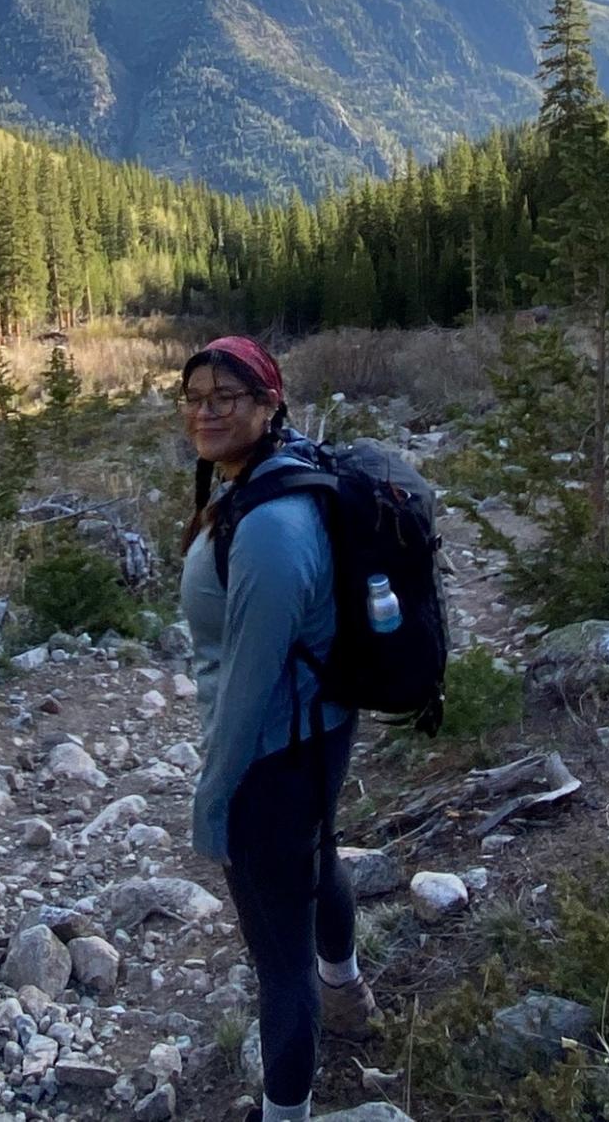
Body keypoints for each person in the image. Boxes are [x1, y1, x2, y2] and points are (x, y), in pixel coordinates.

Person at [178, 334, 376, 1122]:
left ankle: (287, 1111)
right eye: (194, 396)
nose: (205, 411)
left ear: (269, 404)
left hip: (272, 750)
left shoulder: (267, 526)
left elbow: (248, 691)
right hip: (322, 727)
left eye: (226, 396)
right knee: (317, 853)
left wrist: (212, 798)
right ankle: (349, 988)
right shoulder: (283, 471)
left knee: (277, 958)